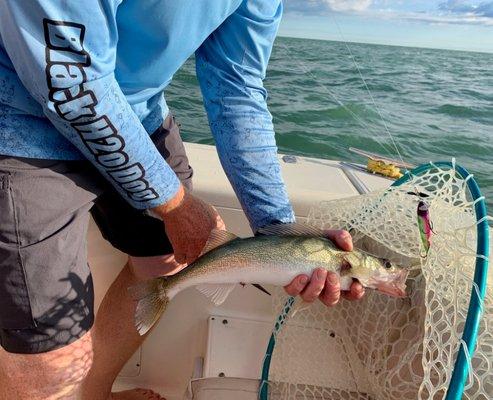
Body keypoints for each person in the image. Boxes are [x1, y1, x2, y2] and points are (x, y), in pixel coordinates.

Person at [0, 1, 364, 399]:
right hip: (20, 121)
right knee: (50, 361)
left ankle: (96, 393)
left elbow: (237, 88)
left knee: (165, 260)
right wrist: (173, 203)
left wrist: (279, 232)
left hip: (138, 115)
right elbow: (71, 81)